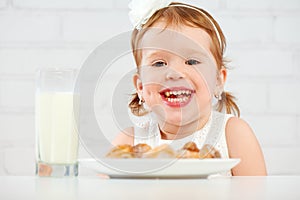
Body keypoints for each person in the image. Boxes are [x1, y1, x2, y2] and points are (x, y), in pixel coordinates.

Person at [113, 0, 267, 176]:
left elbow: (257, 192)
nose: (175, 73)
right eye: (159, 63)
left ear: (218, 80)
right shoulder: (129, 142)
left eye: (192, 61)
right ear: (140, 87)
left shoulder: (233, 134)